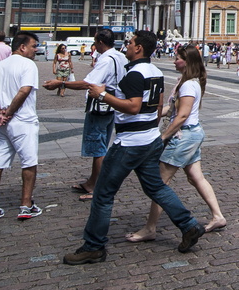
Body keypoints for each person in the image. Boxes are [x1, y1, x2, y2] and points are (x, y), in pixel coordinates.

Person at [64, 30, 206, 265]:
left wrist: (102, 95)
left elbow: (132, 107)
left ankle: (93, 246)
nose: (126, 46)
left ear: (139, 48)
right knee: (156, 188)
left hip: (130, 142)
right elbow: (158, 105)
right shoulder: (155, 72)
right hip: (149, 138)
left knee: (103, 194)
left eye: (130, 43)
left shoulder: (134, 74)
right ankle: (189, 225)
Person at [126, 44, 226, 241]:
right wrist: (149, 113)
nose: (174, 61)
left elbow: (182, 116)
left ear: (186, 62)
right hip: (192, 134)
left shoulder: (188, 85)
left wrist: (164, 137)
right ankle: (218, 216)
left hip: (183, 137)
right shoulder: (186, 82)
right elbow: (172, 110)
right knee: (196, 177)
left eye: (177, 58)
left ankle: (150, 228)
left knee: (160, 184)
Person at [45, 28, 128, 199]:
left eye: (95, 41)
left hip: (100, 106)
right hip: (112, 105)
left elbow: (88, 83)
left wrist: (61, 84)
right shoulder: (120, 56)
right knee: (102, 144)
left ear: (100, 42)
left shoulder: (106, 60)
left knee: (98, 148)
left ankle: (97, 186)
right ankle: (92, 181)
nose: (94, 45)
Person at [0, 32, 44, 223]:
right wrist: (8, 113)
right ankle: (26, 204)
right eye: (33, 46)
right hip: (23, 121)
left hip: (2, 125)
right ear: (22, 47)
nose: (36, 50)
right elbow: (24, 90)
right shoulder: (28, 65)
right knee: (29, 162)